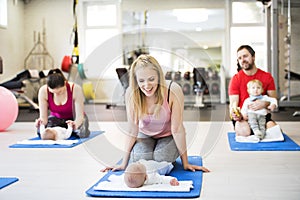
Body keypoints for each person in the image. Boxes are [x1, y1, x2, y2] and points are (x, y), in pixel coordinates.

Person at [101, 54, 209, 173]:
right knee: (140, 163)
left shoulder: (173, 90)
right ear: (136, 81)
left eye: (151, 79)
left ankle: (168, 153)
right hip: (145, 135)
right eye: (141, 81)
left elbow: (177, 129)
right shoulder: (130, 93)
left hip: (168, 136)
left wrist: (186, 163)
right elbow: (132, 130)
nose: (147, 85)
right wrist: (123, 163)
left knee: (160, 161)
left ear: (159, 76)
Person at [229, 45, 277, 136]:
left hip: (261, 115)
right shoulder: (235, 79)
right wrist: (235, 114)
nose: (242, 60)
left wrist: (264, 103)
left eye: (245, 56)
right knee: (245, 132)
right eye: (239, 58)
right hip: (243, 117)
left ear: (253, 57)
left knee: (273, 130)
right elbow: (233, 104)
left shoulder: (267, 77)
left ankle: (260, 129)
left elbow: (273, 100)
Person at [35, 68, 90, 138]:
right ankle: (65, 131)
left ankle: (68, 131)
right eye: (53, 92)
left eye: (60, 92)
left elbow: (80, 116)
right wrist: (41, 123)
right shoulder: (43, 91)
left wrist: (74, 125)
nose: (57, 94)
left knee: (81, 133)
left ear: (65, 83)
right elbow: (43, 118)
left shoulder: (75, 89)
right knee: (43, 133)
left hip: (74, 118)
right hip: (57, 119)